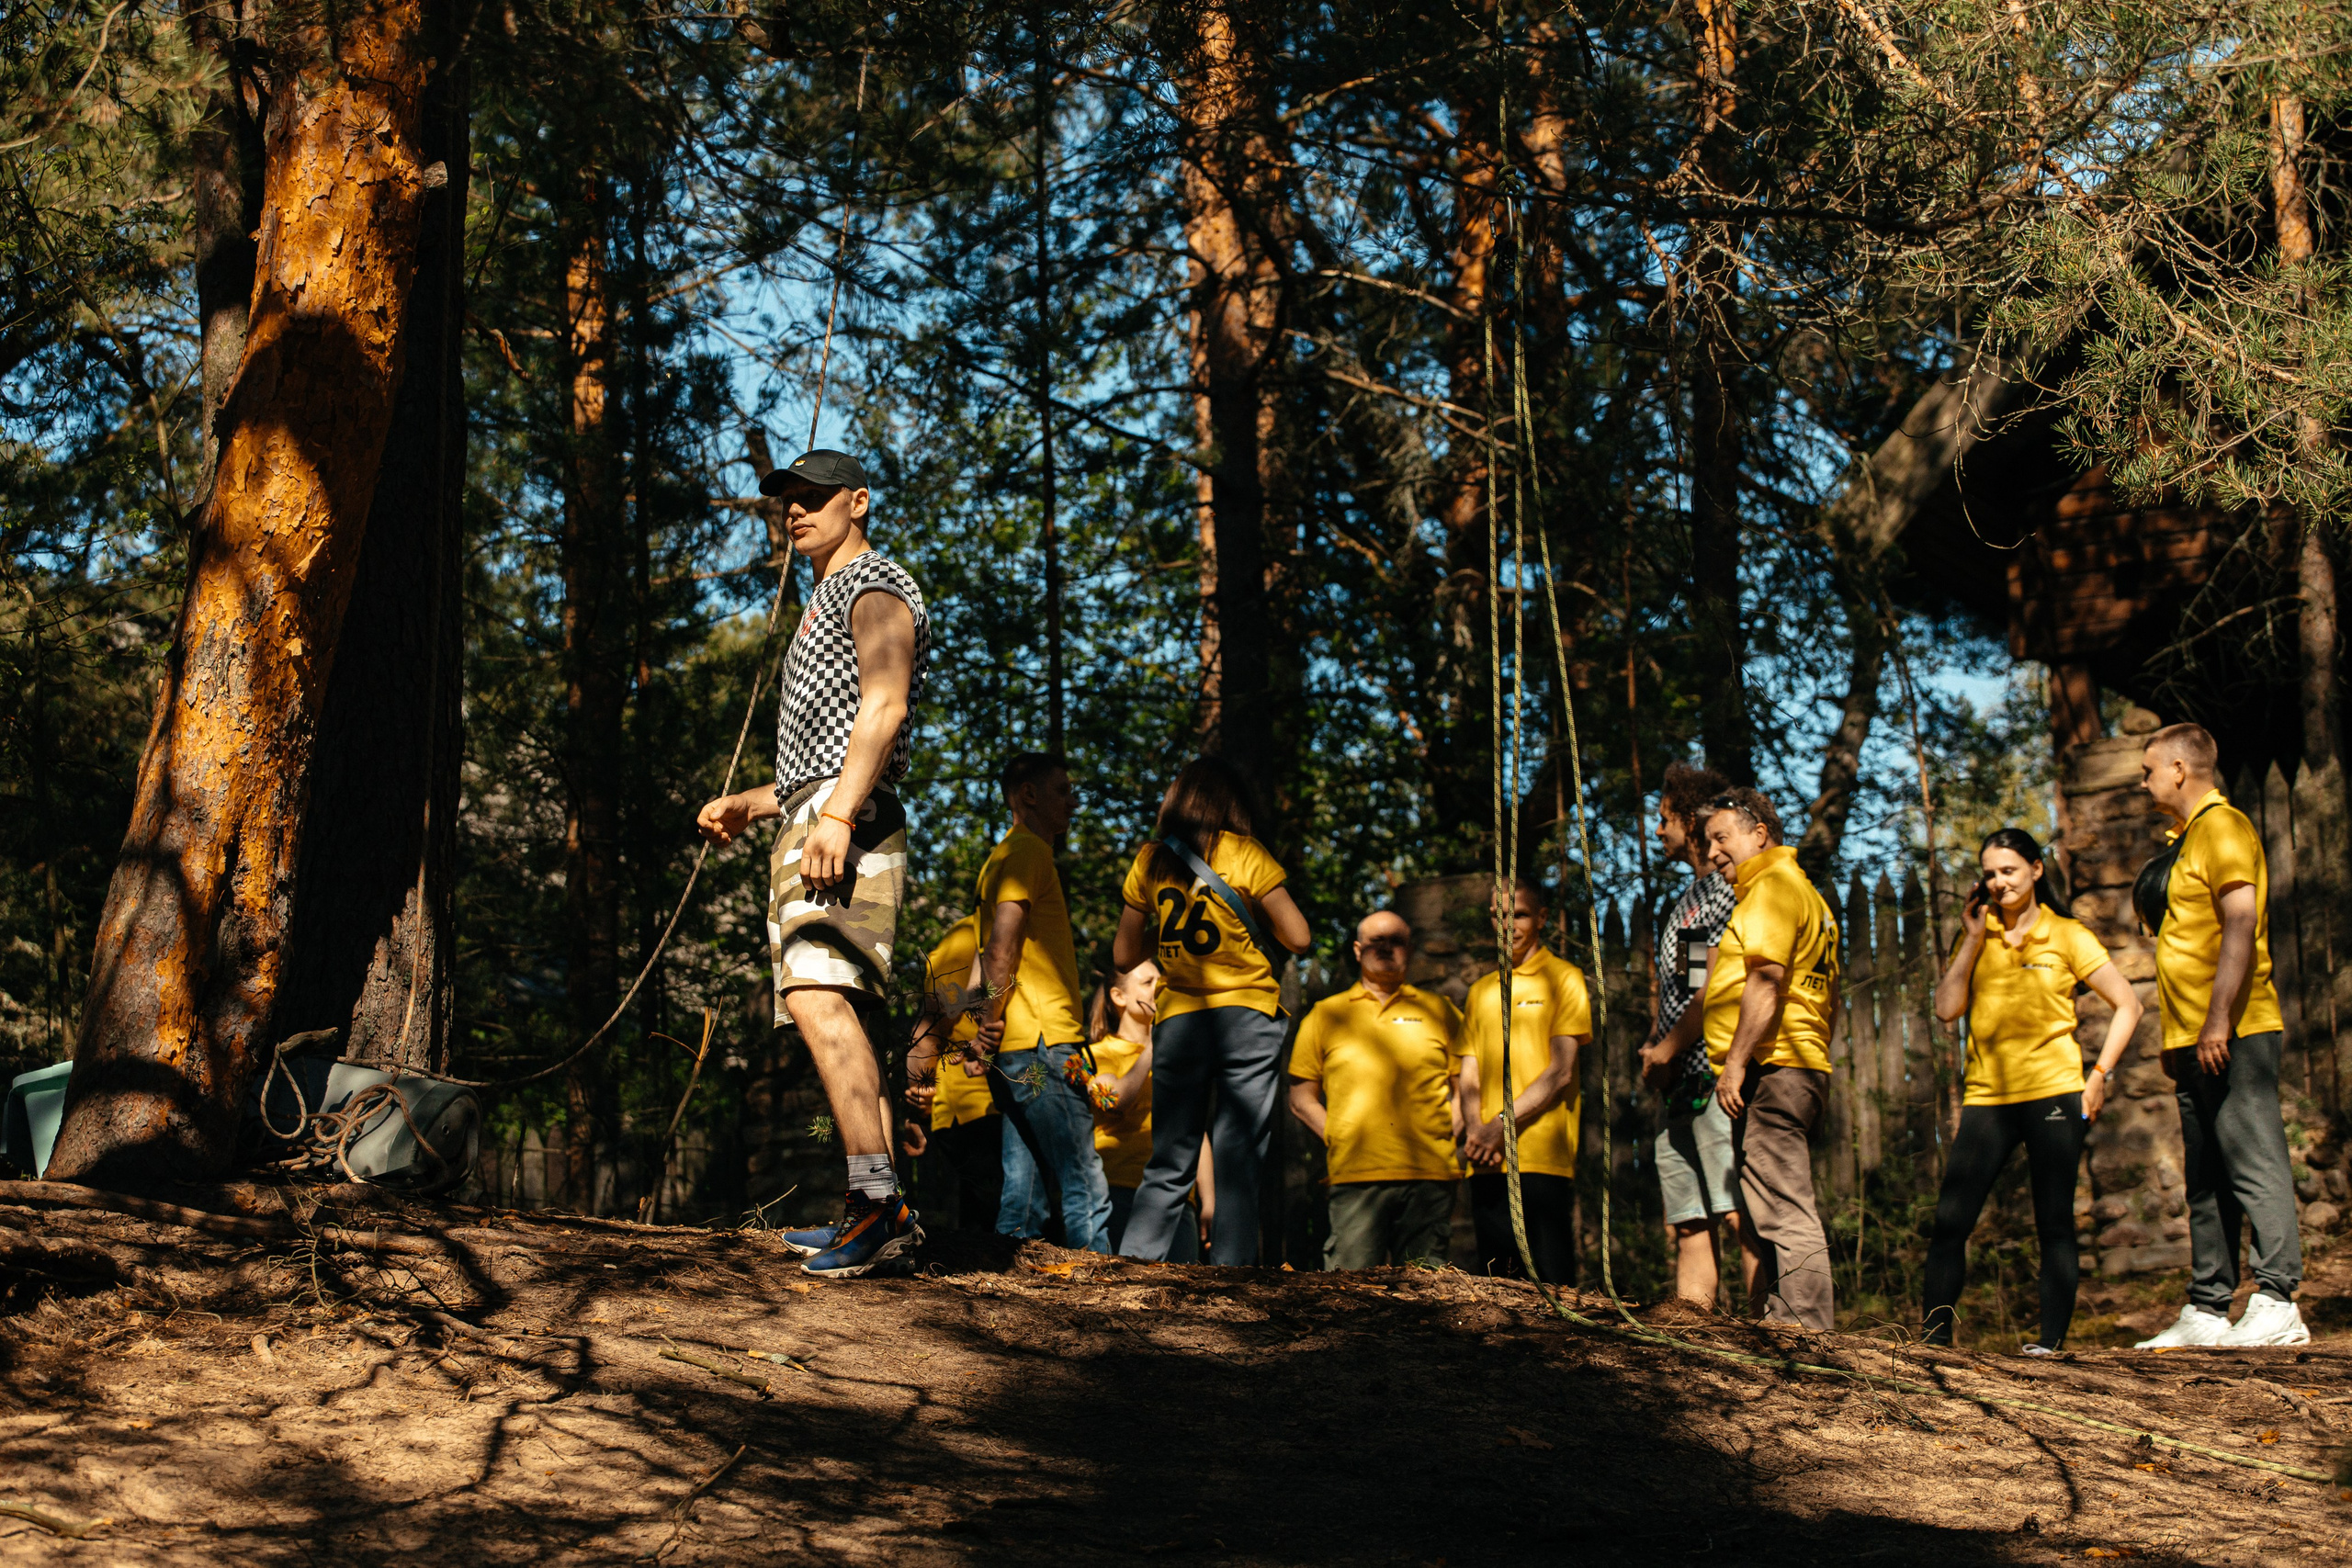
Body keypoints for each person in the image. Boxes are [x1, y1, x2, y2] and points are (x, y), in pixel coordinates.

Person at [695, 448, 928, 1278]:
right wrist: (755, 803)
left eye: (814, 496)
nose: (795, 510)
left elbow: (886, 703)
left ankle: (880, 1209)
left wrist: (833, 813)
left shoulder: (875, 584)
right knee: (839, 1007)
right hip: (820, 809)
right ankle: (873, 1204)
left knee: (818, 995)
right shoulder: (824, 595)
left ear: (858, 500)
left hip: (843, 817)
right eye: (786, 500)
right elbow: (824, 750)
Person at [1925, 829, 2143, 1353]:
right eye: (1991, 873)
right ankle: (1930, 1346)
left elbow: (2128, 1006)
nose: (1999, 882)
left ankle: (2048, 1345)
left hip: (2055, 1094)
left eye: (2009, 871)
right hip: (1987, 1099)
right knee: (1951, 1222)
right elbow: (1946, 1008)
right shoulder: (1976, 937)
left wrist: (2100, 1075)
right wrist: (1973, 939)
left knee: (2054, 1222)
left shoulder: (2068, 935)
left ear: (2036, 871)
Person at [2132, 723, 2309, 1348]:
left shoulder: (2225, 826)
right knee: (2206, 1174)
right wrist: (2177, 1037)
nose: (2143, 777)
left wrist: (2214, 1021)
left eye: (2149, 767)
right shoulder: (2188, 839)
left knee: (2255, 1161)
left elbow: (2239, 924)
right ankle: (2207, 1308)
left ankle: (2279, 1297)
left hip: (2237, 1030)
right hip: (2192, 1042)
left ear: (2180, 768)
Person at [1112, 758, 1312, 1265]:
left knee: (1172, 1150)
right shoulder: (1245, 853)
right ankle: (1233, 1272)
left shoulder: (1151, 861)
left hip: (1181, 1019)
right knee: (1237, 1151)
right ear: (1230, 805)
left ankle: (1136, 1264)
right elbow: (1300, 937)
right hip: (1246, 1015)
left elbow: (1122, 956)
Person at [1699, 788, 1838, 1330]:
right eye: (1709, 842)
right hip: (1800, 1063)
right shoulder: (1807, 894)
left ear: (1759, 834)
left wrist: (1736, 1062)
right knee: (1772, 1203)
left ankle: (1807, 1329)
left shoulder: (1773, 891)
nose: (1713, 853)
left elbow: (1766, 978)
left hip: (1775, 1066)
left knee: (1784, 1208)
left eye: (1722, 838)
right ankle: (1787, 1318)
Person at [968, 752, 1113, 1253]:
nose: (1074, 802)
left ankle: (1008, 1295)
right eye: (1063, 791)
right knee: (1084, 1181)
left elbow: (983, 954)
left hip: (1016, 1045)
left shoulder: (999, 858)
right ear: (1028, 795)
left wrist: (981, 1036)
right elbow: (1002, 946)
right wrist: (987, 1024)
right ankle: (1106, 1299)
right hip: (1043, 1045)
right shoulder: (1029, 852)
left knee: (1024, 1194)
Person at [1288, 909, 1464, 1269]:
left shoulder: (1440, 1011)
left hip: (1429, 1177)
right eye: (1375, 941)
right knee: (1350, 1295)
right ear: (1357, 950)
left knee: (1427, 1295)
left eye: (1396, 941)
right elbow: (1301, 1098)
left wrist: (1450, 1131)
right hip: (1356, 1178)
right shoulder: (1326, 1015)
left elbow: (1466, 1086)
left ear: (1410, 950)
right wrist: (1340, 1135)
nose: (1385, 948)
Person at [1634, 761, 1742, 1309]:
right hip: (1679, 1079)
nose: (1659, 831)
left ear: (1686, 816)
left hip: (1712, 1073)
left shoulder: (1723, 892)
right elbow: (1683, 986)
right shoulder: (1690, 899)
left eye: (1663, 818)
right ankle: (1693, 1336)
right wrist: (1657, 1043)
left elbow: (1714, 986)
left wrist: (1669, 1048)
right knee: (1688, 1217)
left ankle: (1779, 1331)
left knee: (1735, 1207)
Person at [1453, 881, 1590, 1283]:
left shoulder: (1564, 978)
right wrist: (1478, 1134)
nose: (1508, 924)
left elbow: (1561, 1070)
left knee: (1549, 1284)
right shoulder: (1480, 991)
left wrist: (1499, 1127)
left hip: (1540, 1155)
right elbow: (1469, 1073)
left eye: (1520, 914)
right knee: (1497, 1286)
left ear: (1543, 918)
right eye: (1499, 915)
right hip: (1488, 1160)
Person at [1088, 959, 1212, 1260]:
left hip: (1179, 1199)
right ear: (1119, 997)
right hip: (1118, 1191)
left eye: (1161, 980)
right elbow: (1111, 1101)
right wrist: (1153, 1049)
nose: (1160, 988)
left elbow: (1195, 1128)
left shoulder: (1180, 1060)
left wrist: (1208, 1200)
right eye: (1147, 983)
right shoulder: (1094, 1054)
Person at [903, 913, 1003, 1233]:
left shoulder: (1032, 931)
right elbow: (930, 1026)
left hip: (1010, 1100)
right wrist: (921, 1106)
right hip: (972, 1108)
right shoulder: (967, 935)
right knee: (987, 1220)